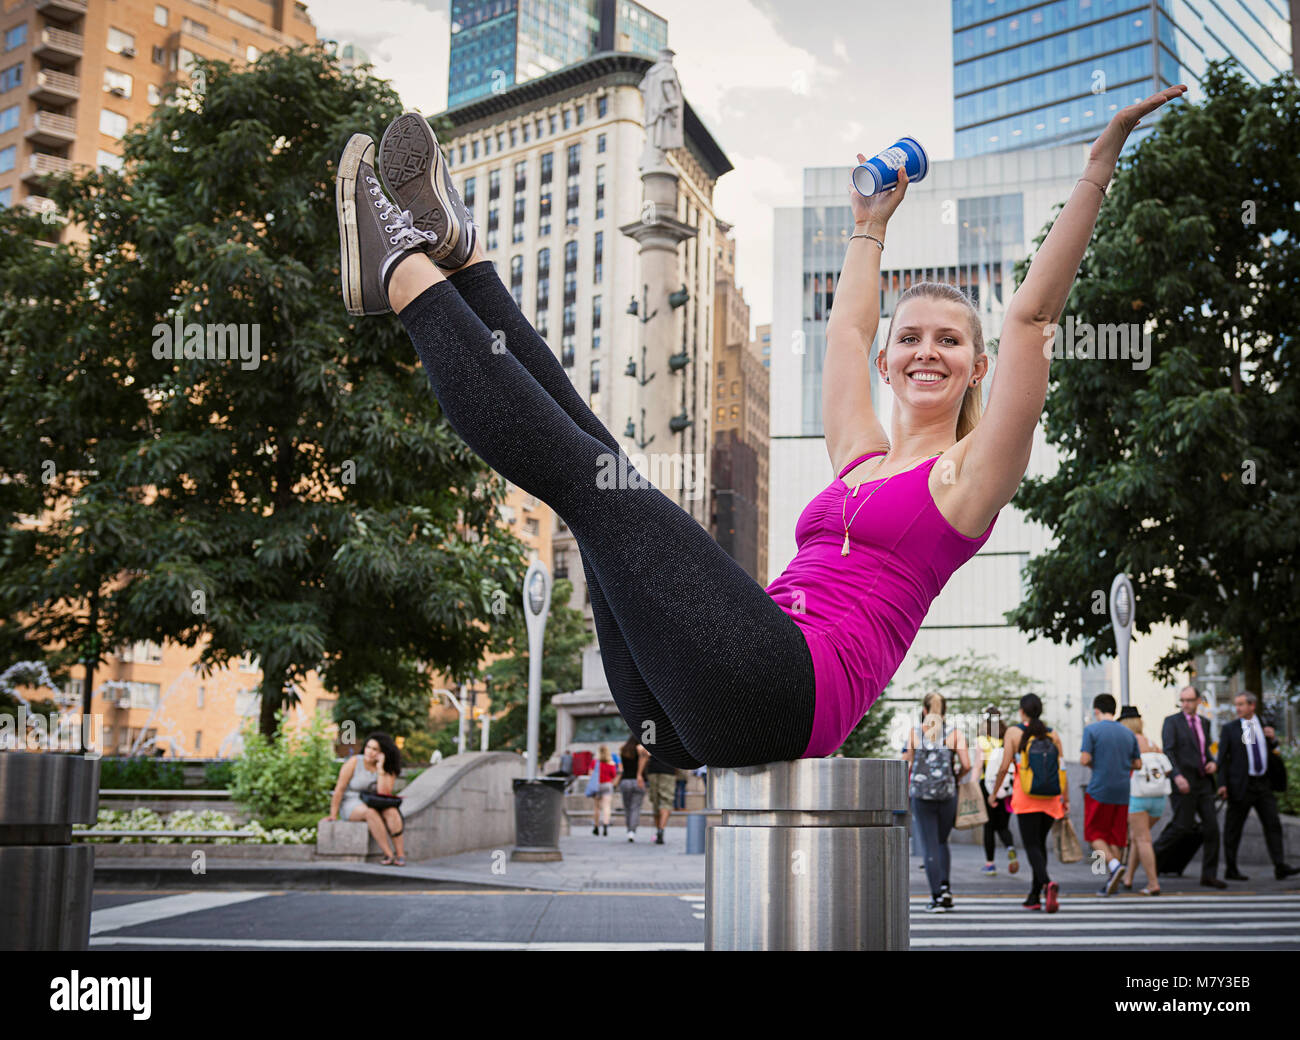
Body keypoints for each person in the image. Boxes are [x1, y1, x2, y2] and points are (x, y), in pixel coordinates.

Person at [332, 87, 1185, 767]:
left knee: (593, 484)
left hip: (784, 692)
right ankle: (463, 258)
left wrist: (1096, 173)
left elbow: (1033, 319)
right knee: (601, 461)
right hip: (697, 692)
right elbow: (849, 330)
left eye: (951, 341)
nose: (927, 352)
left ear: (976, 367)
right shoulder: (860, 459)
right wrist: (866, 229)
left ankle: (398, 272)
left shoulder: (968, 479)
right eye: (911, 338)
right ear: (889, 364)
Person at [988, 694, 1068, 912]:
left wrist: (994, 794)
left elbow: (1004, 767)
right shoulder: (1052, 734)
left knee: (1032, 846)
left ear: (1022, 711)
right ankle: (1034, 896)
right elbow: (1062, 768)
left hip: (1026, 798)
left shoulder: (1014, 732)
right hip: (1051, 799)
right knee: (1039, 845)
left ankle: (1046, 882)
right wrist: (1065, 799)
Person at [1217, 692, 1300, 882]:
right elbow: (1223, 759)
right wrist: (1222, 784)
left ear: (1252, 706)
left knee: (1273, 824)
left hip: (1262, 784)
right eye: (1236, 704)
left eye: (1241, 704)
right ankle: (1231, 868)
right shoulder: (1231, 729)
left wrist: (1273, 741)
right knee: (1233, 828)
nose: (1237, 708)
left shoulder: (1262, 725)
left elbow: (1261, 751)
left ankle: (1280, 866)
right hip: (1242, 785)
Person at [1152, 685, 1226, 888]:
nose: (1185, 704)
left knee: (1211, 829)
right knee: (1181, 827)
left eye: (1189, 700)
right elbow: (1169, 751)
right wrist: (1176, 776)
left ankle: (1209, 875)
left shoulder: (1204, 722)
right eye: (1182, 700)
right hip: (1183, 782)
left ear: (1198, 701)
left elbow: (1205, 752)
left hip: (1204, 783)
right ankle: (1150, 859)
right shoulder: (1172, 722)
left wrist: (1213, 763)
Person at [904, 693, 971, 913]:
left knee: (929, 845)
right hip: (947, 795)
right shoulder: (955, 734)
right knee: (943, 842)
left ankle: (936, 898)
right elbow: (967, 764)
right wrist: (955, 777)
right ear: (944, 711)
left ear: (924, 710)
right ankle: (946, 889)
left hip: (922, 796)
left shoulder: (915, 733)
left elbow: (906, 762)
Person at [1080, 693, 1141, 895]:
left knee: (1094, 833)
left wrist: (1095, 763)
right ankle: (1112, 880)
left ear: (1096, 710)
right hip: (1123, 789)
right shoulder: (1128, 734)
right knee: (1116, 836)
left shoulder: (1091, 730)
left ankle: (1114, 866)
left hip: (1100, 789)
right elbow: (1138, 763)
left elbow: (1084, 759)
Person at [324, 732, 405, 866]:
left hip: (375, 802)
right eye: (368, 747)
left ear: (382, 753)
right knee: (370, 812)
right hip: (352, 802)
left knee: (392, 812)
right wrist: (333, 814)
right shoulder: (355, 762)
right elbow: (339, 789)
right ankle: (388, 854)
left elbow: (383, 793)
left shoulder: (387, 767)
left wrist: (380, 769)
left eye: (375, 749)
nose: (370, 752)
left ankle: (400, 854)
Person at [1119, 706, 1170, 895]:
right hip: (1158, 797)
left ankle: (1153, 883)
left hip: (1137, 797)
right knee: (1138, 837)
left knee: (1142, 839)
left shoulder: (1129, 742)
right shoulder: (1151, 742)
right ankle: (1128, 877)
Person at [978, 708, 1018, 876]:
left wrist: (971, 785)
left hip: (987, 787)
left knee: (989, 827)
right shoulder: (1007, 737)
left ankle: (990, 864)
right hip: (1007, 787)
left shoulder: (982, 740)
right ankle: (1010, 847)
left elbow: (977, 767)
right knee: (1003, 825)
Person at [618, 736, 649, 842]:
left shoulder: (623, 750)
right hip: (637, 781)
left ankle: (628, 829)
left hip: (625, 781)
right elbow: (645, 758)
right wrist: (639, 775)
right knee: (635, 807)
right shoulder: (640, 750)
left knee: (627, 807)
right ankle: (632, 831)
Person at [643, 746, 677, 844]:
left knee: (655, 802)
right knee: (666, 801)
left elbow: (644, 751)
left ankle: (658, 830)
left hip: (653, 769)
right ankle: (661, 830)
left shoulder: (653, 732)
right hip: (668, 770)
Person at [590, 744, 617, 835]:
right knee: (606, 807)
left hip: (597, 785)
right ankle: (605, 825)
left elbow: (590, 774)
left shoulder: (595, 762)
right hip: (607, 785)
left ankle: (596, 827)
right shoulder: (611, 763)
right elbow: (613, 775)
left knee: (597, 807)